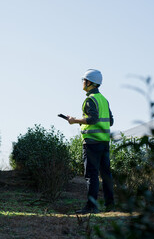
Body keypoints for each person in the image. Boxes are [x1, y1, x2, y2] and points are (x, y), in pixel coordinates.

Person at [67, 69, 115, 214]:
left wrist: (75, 120)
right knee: (106, 174)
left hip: (92, 143)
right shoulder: (104, 100)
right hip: (104, 143)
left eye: (84, 80)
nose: (82, 82)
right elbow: (111, 121)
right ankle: (110, 205)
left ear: (89, 83)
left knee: (91, 175)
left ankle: (92, 207)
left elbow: (93, 119)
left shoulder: (90, 100)